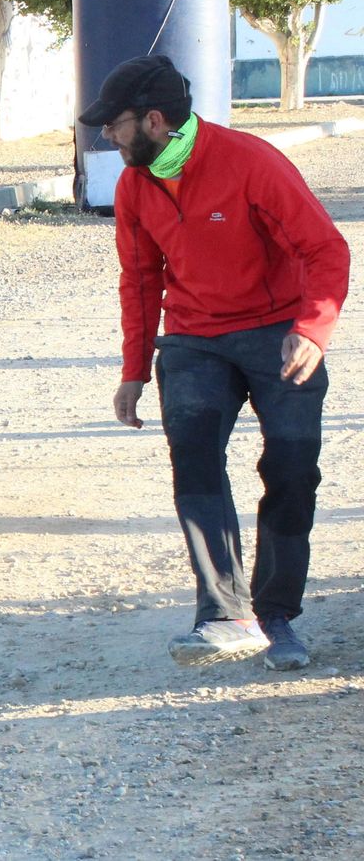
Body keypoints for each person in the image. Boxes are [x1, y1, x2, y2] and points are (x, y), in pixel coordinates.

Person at [81, 55, 350, 670]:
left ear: (153, 120)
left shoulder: (251, 163)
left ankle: (276, 613)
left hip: (279, 329)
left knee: (291, 465)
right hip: (195, 337)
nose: (109, 137)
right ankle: (227, 614)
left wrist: (311, 330)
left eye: (116, 125)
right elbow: (141, 280)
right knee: (194, 452)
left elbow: (326, 250)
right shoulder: (133, 185)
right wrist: (133, 370)